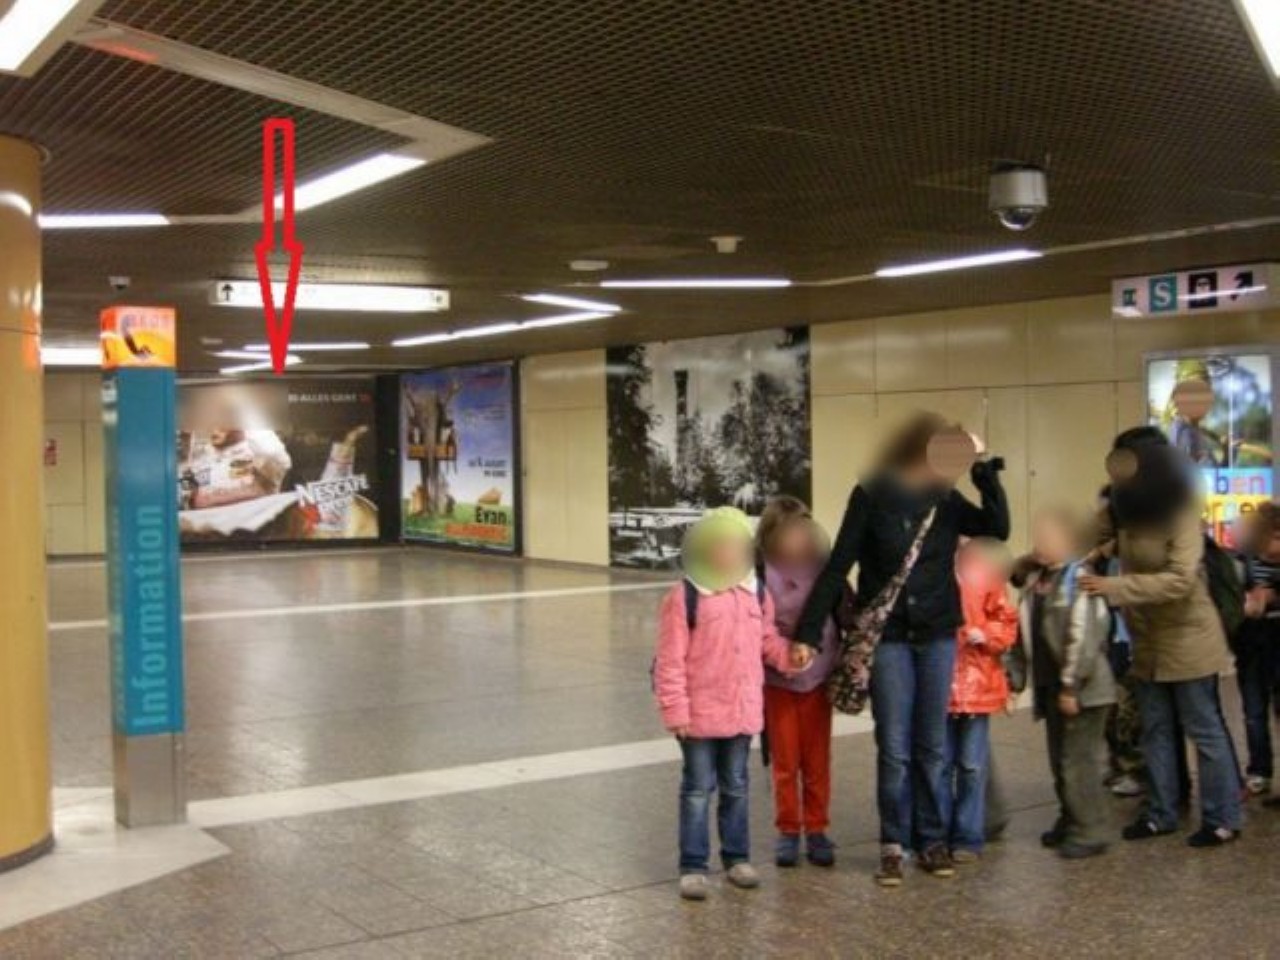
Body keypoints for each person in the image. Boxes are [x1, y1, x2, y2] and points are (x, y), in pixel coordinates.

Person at [795, 412, 1010, 887]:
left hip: (936, 635)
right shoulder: (871, 495)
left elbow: (997, 526)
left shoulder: (946, 499)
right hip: (889, 637)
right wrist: (808, 633)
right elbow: (839, 565)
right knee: (894, 747)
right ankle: (893, 843)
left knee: (931, 746)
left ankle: (930, 839)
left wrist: (984, 469)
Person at [1080, 427, 1242, 847]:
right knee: (1154, 729)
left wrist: (1115, 587)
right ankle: (1161, 813)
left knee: (1203, 729)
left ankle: (1222, 817)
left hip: (1189, 637)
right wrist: (1101, 548)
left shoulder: (1181, 510)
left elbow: (1180, 579)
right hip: (1146, 638)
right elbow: (1093, 539)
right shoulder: (1123, 505)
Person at [652, 507, 809, 901]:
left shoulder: (755, 592)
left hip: (741, 713)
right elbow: (669, 661)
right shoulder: (685, 597)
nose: (731, 553)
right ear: (705, 548)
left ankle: (737, 858)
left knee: (736, 786)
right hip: (699, 717)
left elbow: (766, 641)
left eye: (738, 546)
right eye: (722, 546)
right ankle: (693, 865)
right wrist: (676, 710)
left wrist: (790, 656)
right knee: (697, 790)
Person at [1011, 507, 1116, 859]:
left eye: (1049, 537)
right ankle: (1071, 818)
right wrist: (1016, 680)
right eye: (1038, 537)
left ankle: (1090, 830)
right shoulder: (1036, 581)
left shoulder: (1079, 580)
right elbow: (1023, 633)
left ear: (1069, 542)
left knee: (1078, 762)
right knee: (1060, 760)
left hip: (1084, 689)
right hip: (1052, 686)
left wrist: (1071, 686)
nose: (1040, 543)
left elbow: (1084, 636)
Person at [756, 496, 851, 869]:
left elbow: (846, 610)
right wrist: (783, 654)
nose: (796, 539)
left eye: (801, 531)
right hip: (777, 681)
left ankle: (816, 827)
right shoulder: (759, 573)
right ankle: (787, 829)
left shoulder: (824, 568)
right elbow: (756, 627)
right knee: (785, 760)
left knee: (816, 759)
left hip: (819, 676)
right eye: (787, 532)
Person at [944, 538, 1018, 863]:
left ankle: (968, 835)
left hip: (977, 686)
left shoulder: (985, 574)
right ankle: (941, 832)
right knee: (942, 765)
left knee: (972, 766)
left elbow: (1006, 621)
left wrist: (985, 635)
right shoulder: (934, 569)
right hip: (943, 686)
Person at [1236, 502, 1280, 800]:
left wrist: (1272, 596)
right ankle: (1259, 772)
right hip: (1252, 643)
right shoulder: (1245, 561)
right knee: (1253, 711)